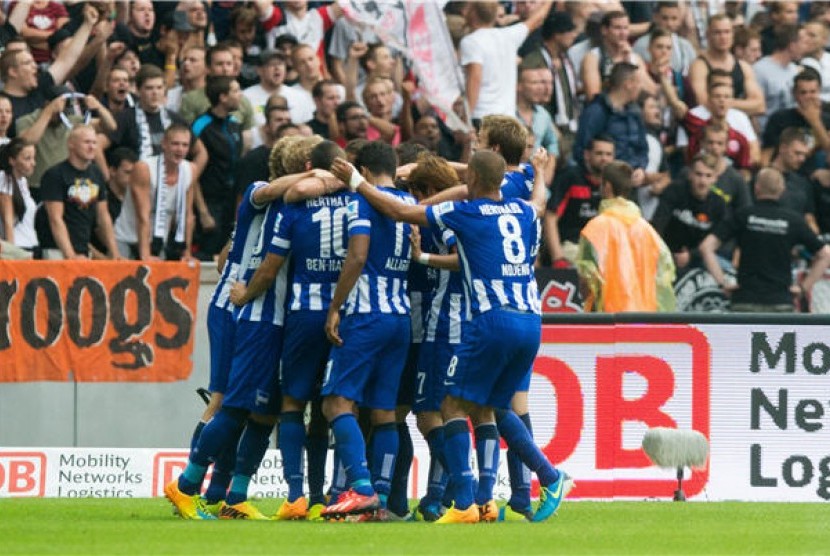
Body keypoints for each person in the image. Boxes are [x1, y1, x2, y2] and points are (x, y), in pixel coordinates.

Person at [329, 148, 565, 524]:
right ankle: (545, 478)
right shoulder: (522, 211)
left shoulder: (464, 213)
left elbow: (401, 212)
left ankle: (467, 504)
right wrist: (540, 171)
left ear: (470, 178)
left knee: (451, 407)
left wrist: (357, 183)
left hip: (491, 320)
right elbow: (539, 199)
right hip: (530, 321)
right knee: (492, 408)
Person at [229, 140, 346, 521]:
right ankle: (327, 495)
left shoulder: (291, 205)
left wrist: (244, 295)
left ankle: (293, 493)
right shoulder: (356, 203)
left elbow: (267, 263)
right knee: (332, 409)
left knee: (285, 406)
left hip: (296, 318)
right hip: (343, 316)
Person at [316, 141, 414, 521]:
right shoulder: (404, 205)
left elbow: (357, 255)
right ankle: (382, 498)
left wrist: (335, 306)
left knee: (336, 403)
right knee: (384, 412)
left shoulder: (362, 201)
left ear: (364, 170)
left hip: (366, 315)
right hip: (400, 317)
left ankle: (360, 487)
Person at [699, 167, 830, 312]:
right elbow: (826, 254)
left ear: (756, 188)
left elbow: (706, 247)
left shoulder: (743, 216)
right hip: (781, 301)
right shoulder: (793, 220)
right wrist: (804, 287)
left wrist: (722, 284)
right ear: (782, 191)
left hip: (745, 300)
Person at [575, 160, 676, 312]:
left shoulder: (596, 228)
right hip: (644, 318)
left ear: (607, 186)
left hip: (608, 318)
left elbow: (587, 281)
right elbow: (664, 273)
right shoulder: (647, 230)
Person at [34, 125, 119, 260]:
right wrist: (70, 255)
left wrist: (114, 252)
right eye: (86, 142)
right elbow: (55, 219)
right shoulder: (55, 174)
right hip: (57, 250)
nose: (91, 147)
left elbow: (103, 216)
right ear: (71, 144)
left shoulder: (96, 173)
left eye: (94, 142)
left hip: (83, 249)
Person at [459, 0, 550, 123]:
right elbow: (539, 17)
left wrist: (465, 119)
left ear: (474, 13)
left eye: (467, 9)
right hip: (508, 118)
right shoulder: (509, 35)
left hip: (482, 117)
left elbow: (474, 80)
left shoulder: (470, 42)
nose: (463, 12)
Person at [114, 124, 196, 261]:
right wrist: (145, 255)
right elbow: (143, 215)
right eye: (175, 144)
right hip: (127, 238)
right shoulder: (144, 168)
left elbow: (188, 216)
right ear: (164, 144)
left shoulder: (190, 170)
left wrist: (186, 253)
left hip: (157, 241)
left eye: (185, 145)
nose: (180, 149)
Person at [192, 75, 244, 261]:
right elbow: (192, 173)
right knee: (207, 255)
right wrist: (203, 212)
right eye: (236, 91)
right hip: (208, 201)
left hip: (231, 203)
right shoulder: (200, 126)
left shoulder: (235, 125)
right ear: (223, 97)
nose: (240, 95)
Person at [573, 62, 648, 187]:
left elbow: (643, 148)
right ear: (628, 84)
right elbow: (582, 149)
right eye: (639, 82)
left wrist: (641, 168)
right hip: (603, 184)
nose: (641, 88)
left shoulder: (635, 113)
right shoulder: (596, 111)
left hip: (630, 183)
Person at [545, 135, 615, 265]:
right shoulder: (570, 177)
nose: (604, 158)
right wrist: (558, 258)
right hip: (572, 245)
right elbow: (550, 216)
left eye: (608, 154)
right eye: (599, 153)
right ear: (587, 155)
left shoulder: (615, 182)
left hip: (604, 248)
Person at [652, 153, 728, 272]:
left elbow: (718, 241)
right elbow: (658, 224)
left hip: (699, 258)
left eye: (708, 176)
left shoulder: (719, 205)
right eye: (699, 174)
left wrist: (691, 255)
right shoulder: (674, 191)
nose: (702, 181)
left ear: (715, 178)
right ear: (690, 174)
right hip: (665, 253)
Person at [521, 11, 579, 161]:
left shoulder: (565, 60)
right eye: (569, 31)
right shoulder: (535, 61)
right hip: (546, 128)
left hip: (568, 128)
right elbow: (532, 100)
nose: (574, 35)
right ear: (556, 34)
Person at [687, 14, 765, 117]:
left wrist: (726, 102)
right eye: (717, 32)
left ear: (733, 34)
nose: (723, 37)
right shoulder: (699, 66)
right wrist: (744, 105)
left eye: (727, 32)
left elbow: (760, 106)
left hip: (738, 125)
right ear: (708, 35)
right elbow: (703, 103)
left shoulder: (743, 66)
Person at [761, 68, 830, 177]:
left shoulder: (827, 120)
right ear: (795, 94)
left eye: (813, 92)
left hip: (816, 177)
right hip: (785, 176)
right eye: (803, 93)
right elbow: (766, 155)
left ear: (819, 91)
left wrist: (815, 122)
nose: (808, 97)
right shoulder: (779, 118)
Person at [581, 11, 656, 102]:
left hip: (630, 111)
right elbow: (593, 96)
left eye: (625, 28)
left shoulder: (634, 58)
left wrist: (630, 63)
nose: (623, 33)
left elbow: (652, 91)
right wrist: (617, 65)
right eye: (617, 28)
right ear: (604, 30)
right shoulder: (593, 58)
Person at [752, 23, 802, 130]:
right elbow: (753, 111)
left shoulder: (794, 70)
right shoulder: (760, 70)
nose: (804, 48)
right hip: (767, 133)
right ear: (792, 46)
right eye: (802, 43)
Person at [632, 2, 697, 76]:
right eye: (665, 18)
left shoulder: (686, 46)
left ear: (680, 20)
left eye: (674, 18)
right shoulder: (640, 44)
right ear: (655, 17)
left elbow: (694, 72)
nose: (669, 23)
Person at [0, 138, 38, 254]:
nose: (33, 163)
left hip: (31, 243)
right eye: (27, 159)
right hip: (18, 245)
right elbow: (8, 220)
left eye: (33, 158)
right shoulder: (4, 179)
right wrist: (12, 251)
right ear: (12, 160)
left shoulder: (23, 182)